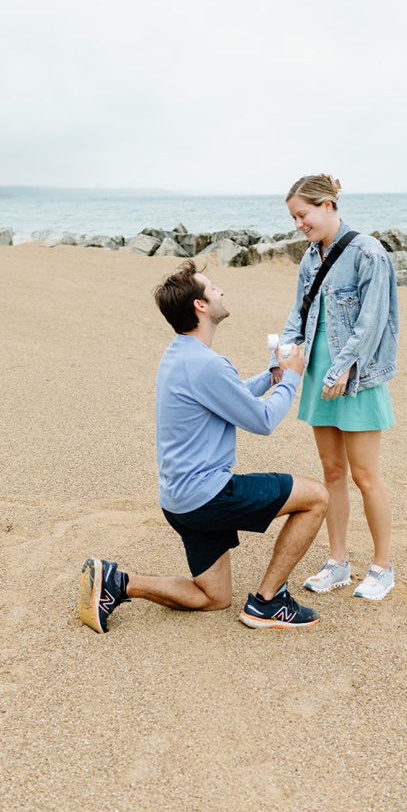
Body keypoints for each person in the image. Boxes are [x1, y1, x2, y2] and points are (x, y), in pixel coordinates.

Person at [78, 261, 330, 634]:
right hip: (207, 497)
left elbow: (225, 397)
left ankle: (117, 582)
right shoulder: (207, 365)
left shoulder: (180, 355)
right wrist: (291, 377)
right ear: (200, 305)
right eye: (213, 288)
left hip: (179, 501)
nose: (221, 292)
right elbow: (261, 420)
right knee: (317, 497)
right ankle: (268, 602)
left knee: (213, 597)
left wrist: (270, 378)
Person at [276, 174, 401, 602]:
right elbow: (300, 311)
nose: (298, 224)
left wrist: (345, 366)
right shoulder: (311, 257)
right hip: (318, 375)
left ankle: (382, 568)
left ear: (327, 204)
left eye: (303, 215)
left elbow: (373, 320)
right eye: (294, 217)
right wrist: (287, 354)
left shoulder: (368, 252)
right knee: (332, 474)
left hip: (356, 377)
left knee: (366, 476)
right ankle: (338, 561)